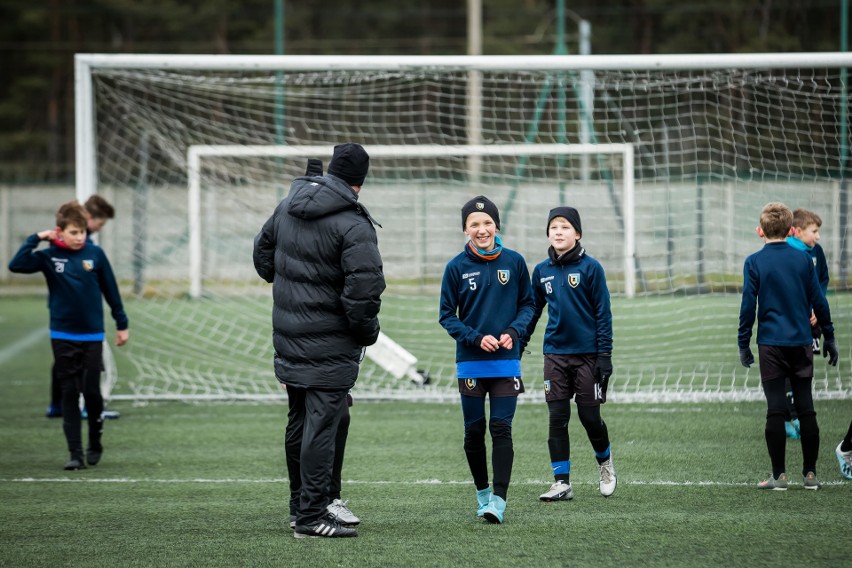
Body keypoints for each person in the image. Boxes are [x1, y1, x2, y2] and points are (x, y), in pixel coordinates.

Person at [253, 143, 384, 539]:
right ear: (360, 182)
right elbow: (364, 291)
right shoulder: (353, 223)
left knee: (299, 420)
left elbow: (262, 260)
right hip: (329, 345)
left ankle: (299, 508)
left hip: (289, 338)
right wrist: (366, 335)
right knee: (322, 426)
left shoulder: (286, 205)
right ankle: (311, 517)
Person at [9, 200, 129, 470]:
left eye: (82, 232)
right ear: (59, 231)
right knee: (69, 392)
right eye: (73, 232)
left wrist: (122, 323)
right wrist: (36, 238)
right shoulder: (48, 256)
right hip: (62, 334)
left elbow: (111, 292)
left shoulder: (95, 255)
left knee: (91, 392)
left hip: (92, 336)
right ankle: (75, 453)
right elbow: (16, 265)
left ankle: (95, 441)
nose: (79, 237)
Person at [439, 195, 535, 524]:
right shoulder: (455, 268)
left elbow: (528, 305)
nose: (482, 229)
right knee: (474, 430)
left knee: (501, 427)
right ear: (465, 230)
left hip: (507, 362)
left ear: (497, 226)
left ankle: (499, 500)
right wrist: (476, 338)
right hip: (470, 363)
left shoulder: (515, 262)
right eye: (474, 225)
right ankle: (482, 493)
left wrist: (514, 330)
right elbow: (446, 316)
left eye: (487, 223)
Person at [738, 202, 838, 491]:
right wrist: (829, 336)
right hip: (801, 342)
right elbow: (819, 302)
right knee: (806, 408)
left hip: (771, 344)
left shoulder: (754, 262)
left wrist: (743, 341)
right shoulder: (804, 261)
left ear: (761, 232)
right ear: (792, 230)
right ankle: (810, 474)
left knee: (776, 410)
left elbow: (748, 306)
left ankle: (779, 476)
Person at [521, 207, 617, 502]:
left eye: (564, 227)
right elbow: (533, 310)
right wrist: (520, 341)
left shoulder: (591, 269)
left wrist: (605, 356)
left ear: (577, 233)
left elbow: (603, 314)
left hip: (588, 356)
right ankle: (561, 482)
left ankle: (606, 465)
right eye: (553, 228)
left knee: (590, 417)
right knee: (557, 417)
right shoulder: (541, 271)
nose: (558, 232)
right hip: (555, 356)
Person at [45, 194, 117, 419]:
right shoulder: (81, 244)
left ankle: (57, 405)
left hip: (63, 305)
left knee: (63, 359)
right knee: (90, 360)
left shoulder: (71, 240)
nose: (100, 228)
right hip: (78, 310)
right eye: (100, 223)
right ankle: (89, 406)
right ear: (89, 217)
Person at [781, 209, 830, 439]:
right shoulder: (786, 251)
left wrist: (816, 311)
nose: (818, 237)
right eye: (814, 231)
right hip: (789, 323)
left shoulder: (817, 252)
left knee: (803, 369)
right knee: (785, 371)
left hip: (811, 324)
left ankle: (798, 415)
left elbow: (822, 282)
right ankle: (788, 417)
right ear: (798, 232)